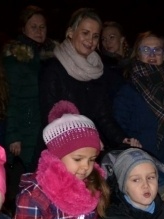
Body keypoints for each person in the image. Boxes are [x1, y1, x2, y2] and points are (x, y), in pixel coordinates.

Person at [38, 8, 139, 151]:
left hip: (86, 151)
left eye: (95, 36)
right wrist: (84, 139)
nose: (90, 40)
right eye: (85, 33)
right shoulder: (53, 69)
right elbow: (50, 117)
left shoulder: (98, 71)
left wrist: (123, 139)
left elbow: (104, 117)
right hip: (59, 150)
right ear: (71, 32)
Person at [113, 31, 164, 184]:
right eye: (146, 49)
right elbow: (119, 128)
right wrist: (133, 154)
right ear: (137, 54)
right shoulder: (128, 90)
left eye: (157, 50)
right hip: (137, 169)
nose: (152, 54)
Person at [3, 5, 57, 175]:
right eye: (33, 27)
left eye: (42, 27)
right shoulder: (15, 60)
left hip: (48, 128)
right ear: (23, 28)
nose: (39, 31)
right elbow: (10, 99)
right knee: (33, 176)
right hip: (27, 129)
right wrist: (13, 136)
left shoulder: (52, 57)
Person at [98, 20, 129, 102]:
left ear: (121, 39)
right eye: (103, 39)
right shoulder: (103, 65)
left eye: (112, 37)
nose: (107, 42)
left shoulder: (134, 61)